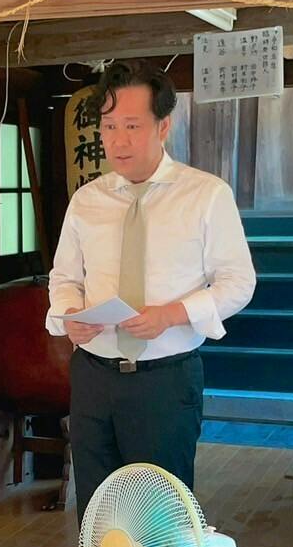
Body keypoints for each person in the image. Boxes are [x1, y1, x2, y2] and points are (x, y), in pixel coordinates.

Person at [46, 60, 256, 510]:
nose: (118, 140)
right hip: (93, 377)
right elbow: (64, 278)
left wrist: (172, 315)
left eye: (132, 126)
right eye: (109, 127)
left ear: (163, 126)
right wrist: (70, 316)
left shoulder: (205, 195)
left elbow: (238, 282)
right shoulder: (87, 200)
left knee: (160, 513)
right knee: (98, 509)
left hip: (165, 381)